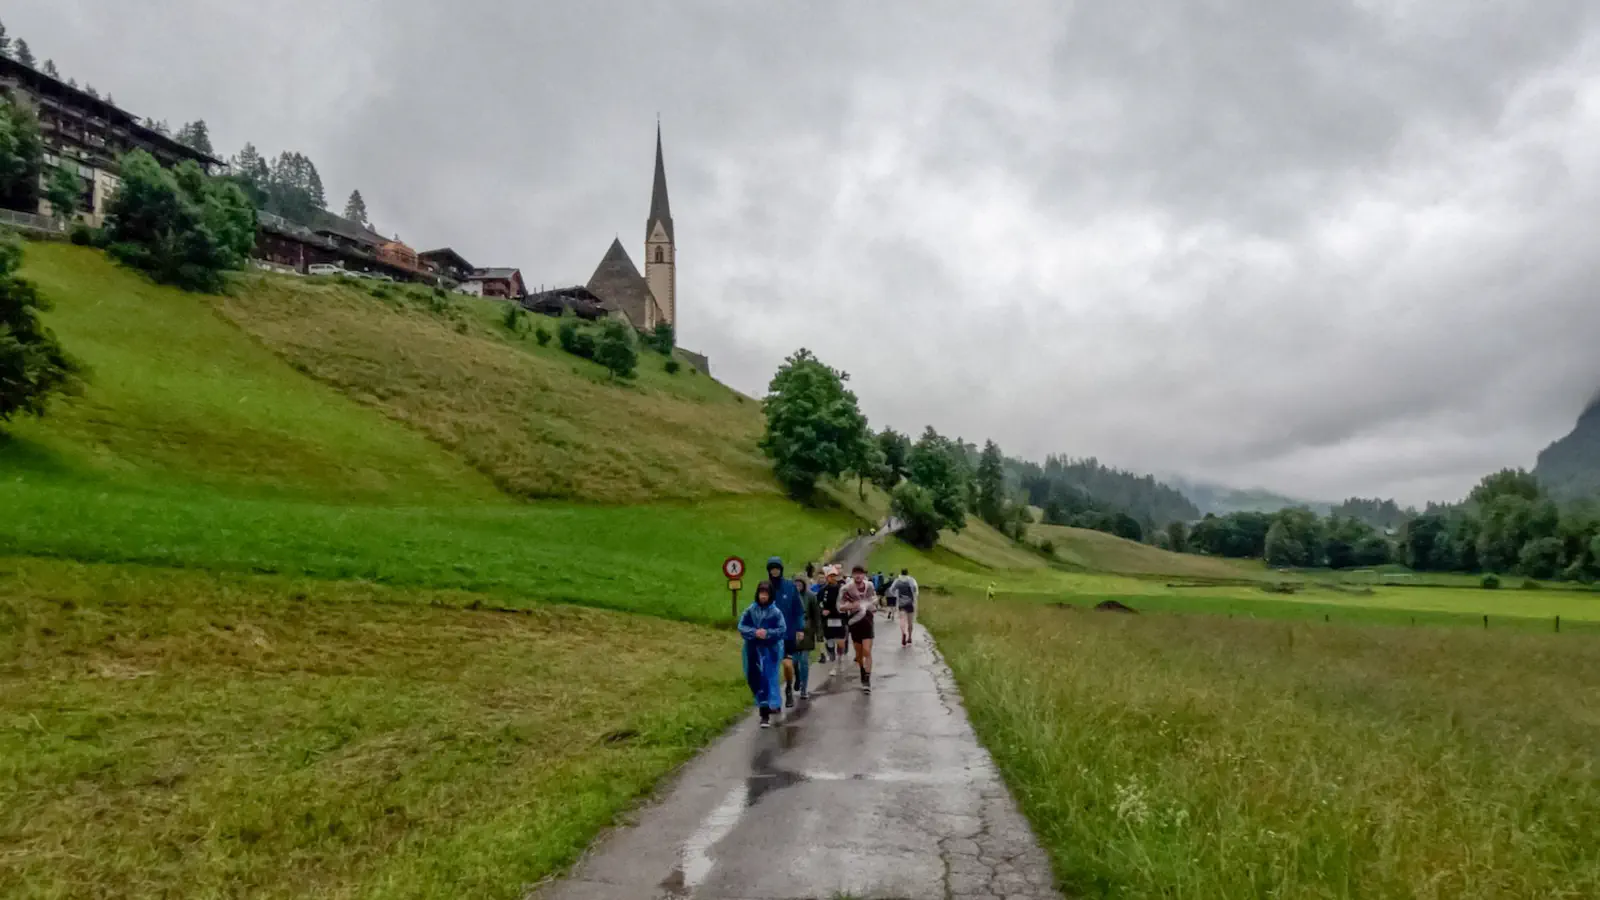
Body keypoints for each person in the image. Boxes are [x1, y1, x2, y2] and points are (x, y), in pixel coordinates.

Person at [738, 581, 786, 728]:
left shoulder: (776, 612)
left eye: (766, 594)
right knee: (755, 679)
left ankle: (765, 714)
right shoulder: (751, 610)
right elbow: (741, 626)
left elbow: (782, 629)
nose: (763, 596)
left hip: (770, 650)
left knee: (768, 678)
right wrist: (754, 632)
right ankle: (768, 705)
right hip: (753, 649)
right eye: (761, 593)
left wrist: (767, 634)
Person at [765, 557, 804, 709]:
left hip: (788, 634)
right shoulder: (765, 587)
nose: (774, 571)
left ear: (781, 570)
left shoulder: (790, 587)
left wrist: (800, 629)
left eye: (777, 568)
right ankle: (774, 700)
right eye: (772, 568)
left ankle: (788, 688)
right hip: (770, 635)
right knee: (771, 669)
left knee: (787, 665)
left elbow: (798, 610)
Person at [839, 564, 879, 693]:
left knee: (867, 650)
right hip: (854, 622)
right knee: (859, 653)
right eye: (856, 573)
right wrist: (851, 606)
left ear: (864, 575)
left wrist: (872, 605)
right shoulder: (846, 589)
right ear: (852, 575)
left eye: (860, 573)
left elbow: (875, 598)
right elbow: (840, 606)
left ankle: (867, 679)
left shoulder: (870, 586)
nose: (858, 576)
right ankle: (862, 671)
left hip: (867, 620)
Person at [789, 574, 823, 700]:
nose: (797, 586)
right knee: (794, 661)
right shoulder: (789, 597)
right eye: (795, 584)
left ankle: (804, 688)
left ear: (804, 585)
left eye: (800, 584)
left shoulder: (811, 596)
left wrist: (819, 633)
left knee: (804, 661)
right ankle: (798, 678)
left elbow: (817, 616)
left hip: (807, 632)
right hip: (792, 633)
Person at [818, 565, 847, 674]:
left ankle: (839, 660)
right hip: (827, 620)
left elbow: (845, 603)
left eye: (834, 576)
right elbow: (818, 603)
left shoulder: (842, 589)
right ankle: (833, 662)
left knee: (840, 642)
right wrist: (822, 611)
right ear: (827, 577)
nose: (833, 578)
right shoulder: (823, 590)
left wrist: (835, 611)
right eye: (830, 576)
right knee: (829, 642)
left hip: (839, 618)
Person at [890, 568, 919, 646]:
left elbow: (891, 590)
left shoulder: (897, 581)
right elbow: (916, 591)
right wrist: (914, 597)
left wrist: (896, 595)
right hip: (910, 604)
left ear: (901, 573)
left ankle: (904, 633)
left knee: (902, 620)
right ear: (907, 573)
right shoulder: (912, 580)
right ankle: (909, 637)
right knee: (910, 622)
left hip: (901, 604)